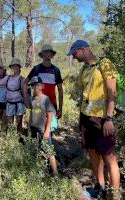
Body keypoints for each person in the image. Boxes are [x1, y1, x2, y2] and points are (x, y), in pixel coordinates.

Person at [68, 40, 120, 199]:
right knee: (93, 154)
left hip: (103, 118)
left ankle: (115, 194)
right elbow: (84, 96)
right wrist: (80, 119)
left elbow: (112, 93)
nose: (74, 58)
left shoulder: (105, 64)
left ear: (83, 49)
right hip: (86, 118)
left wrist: (109, 118)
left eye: (75, 54)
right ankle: (101, 187)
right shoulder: (84, 69)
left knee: (109, 156)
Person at [24, 44, 63, 121]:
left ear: (52, 55)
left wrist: (60, 108)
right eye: (45, 52)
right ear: (42, 55)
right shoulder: (36, 69)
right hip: (37, 104)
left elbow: (60, 90)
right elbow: (25, 83)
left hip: (52, 104)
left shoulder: (56, 70)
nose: (48, 54)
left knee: (50, 130)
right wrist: (26, 99)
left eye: (49, 52)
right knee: (36, 129)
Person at [28, 76, 58, 175]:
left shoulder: (45, 99)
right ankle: (41, 172)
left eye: (36, 85)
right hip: (34, 128)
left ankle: (55, 174)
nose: (34, 87)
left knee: (49, 152)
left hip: (43, 129)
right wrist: (29, 126)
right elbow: (32, 113)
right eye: (32, 85)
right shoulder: (32, 98)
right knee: (38, 150)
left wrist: (47, 131)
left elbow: (50, 115)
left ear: (41, 86)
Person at [0, 58, 26, 133]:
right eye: (13, 66)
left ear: (19, 67)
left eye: (16, 66)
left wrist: (27, 102)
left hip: (19, 103)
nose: (14, 68)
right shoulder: (8, 78)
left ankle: (19, 137)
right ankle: (10, 137)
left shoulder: (22, 79)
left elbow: (25, 92)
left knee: (19, 122)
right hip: (9, 102)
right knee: (9, 121)